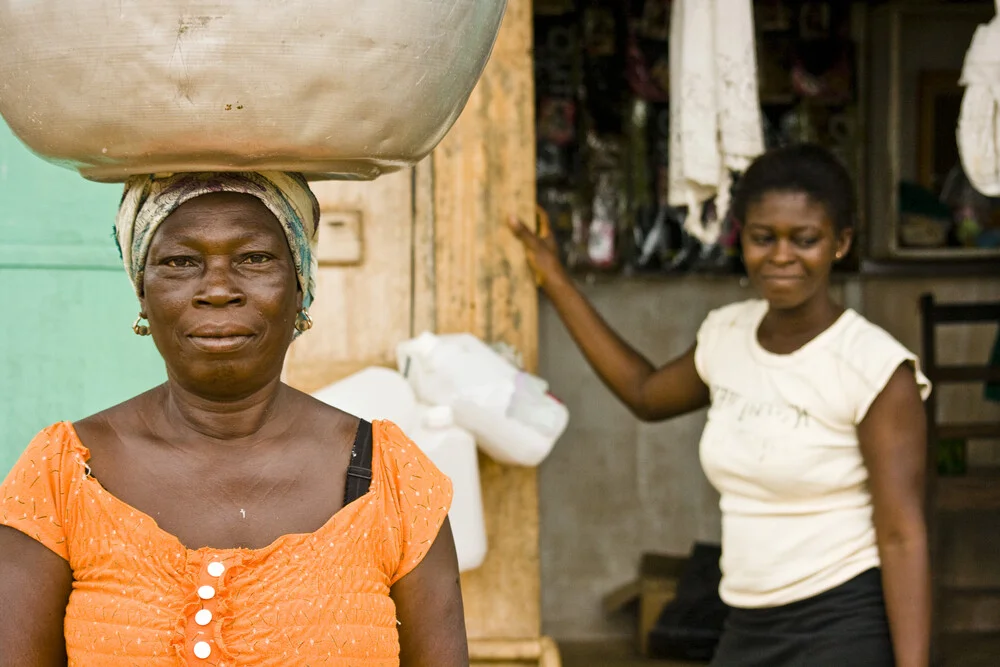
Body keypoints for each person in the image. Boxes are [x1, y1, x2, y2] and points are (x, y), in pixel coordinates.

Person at [0, 171, 467, 666]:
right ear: (142, 290)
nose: (218, 289)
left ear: (300, 284)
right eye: (181, 262)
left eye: (255, 258)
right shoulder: (64, 473)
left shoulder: (389, 479)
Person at [509, 145, 931, 667]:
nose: (781, 256)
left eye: (805, 239)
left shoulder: (873, 368)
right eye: (762, 238)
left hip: (843, 621)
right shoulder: (727, 336)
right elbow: (644, 393)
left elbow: (902, 535)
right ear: (741, 239)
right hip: (746, 623)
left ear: (840, 243)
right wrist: (555, 278)